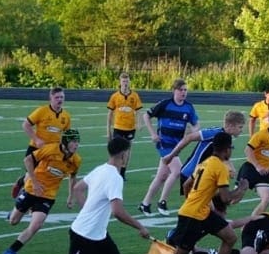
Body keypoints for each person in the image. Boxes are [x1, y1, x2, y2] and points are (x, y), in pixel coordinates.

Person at [32, 137, 151, 254]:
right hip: (85, 235)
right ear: (123, 154)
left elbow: (78, 188)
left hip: (98, 234)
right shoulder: (114, 178)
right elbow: (118, 212)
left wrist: (87, 209)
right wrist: (140, 227)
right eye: (128, 152)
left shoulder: (100, 169)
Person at [135, 131, 247, 254]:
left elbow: (187, 185)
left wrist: (194, 199)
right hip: (193, 215)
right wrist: (242, 188)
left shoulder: (205, 163)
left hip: (201, 212)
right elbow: (225, 199)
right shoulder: (220, 167)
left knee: (230, 237)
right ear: (227, 149)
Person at [3, 128, 82, 254]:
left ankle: (11, 251)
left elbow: (73, 177)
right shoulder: (50, 150)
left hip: (48, 196)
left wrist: (70, 197)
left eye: (77, 142)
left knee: (36, 225)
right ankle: (20, 189)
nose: (76, 145)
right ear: (65, 142)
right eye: (73, 142)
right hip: (31, 189)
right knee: (13, 221)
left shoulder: (76, 160)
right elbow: (28, 160)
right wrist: (33, 181)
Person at [139, 78, 199, 216]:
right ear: (174, 91)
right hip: (164, 144)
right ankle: (162, 202)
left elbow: (196, 123)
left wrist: (193, 131)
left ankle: (145, 204)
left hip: (177, 145)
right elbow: (146, 116)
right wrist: (153, 134)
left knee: (161, 176)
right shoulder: (165, 104)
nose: (183, 93)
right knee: (177, 170)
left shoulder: (188, 107)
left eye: (185, 90)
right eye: (181, 90)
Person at [162, 110, 246, 194]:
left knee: (205, 204)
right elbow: (189, 137)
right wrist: (171, 155)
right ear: (230, 125)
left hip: (202, 175)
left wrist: (231, 169)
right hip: (191, 173)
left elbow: (224, 157)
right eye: (240, 127)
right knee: (198, 204)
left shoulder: (227, 138)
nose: (241, 130)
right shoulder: (215, 133)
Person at [12, 86, 72, 198]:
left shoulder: (66, 116)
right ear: (51, 98)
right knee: (30, 177)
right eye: (57, 97)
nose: (60, 100)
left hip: (51, 152)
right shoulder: (42, 111)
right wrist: (36, 139)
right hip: (36, 148)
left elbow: (67, 135)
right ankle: (23, 194)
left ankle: (26, 189)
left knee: (43, 176)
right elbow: (25, 124)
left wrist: (67, 149)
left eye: (62, 97)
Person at [239, 109, 269, 217]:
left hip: (264, 172)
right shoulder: (261, 135)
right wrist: (257, 166)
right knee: (233, 199)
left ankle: (248, 224)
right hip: (250, 168)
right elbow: (247, 150)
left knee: (267, 199)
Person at [105, 72, 142, 178]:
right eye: (123, 81)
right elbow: (110, 114)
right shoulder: (115, 96)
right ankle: (114, 170)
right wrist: (108, 130)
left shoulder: (134, 96)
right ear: (120, 82)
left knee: (127, 151)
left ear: (129, 82)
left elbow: (139, 111)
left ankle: (123, 172)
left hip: (130, 128)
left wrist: (140, 123)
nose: (125, 83)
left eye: (127, 81)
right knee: (117, 150)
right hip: (118, 127)